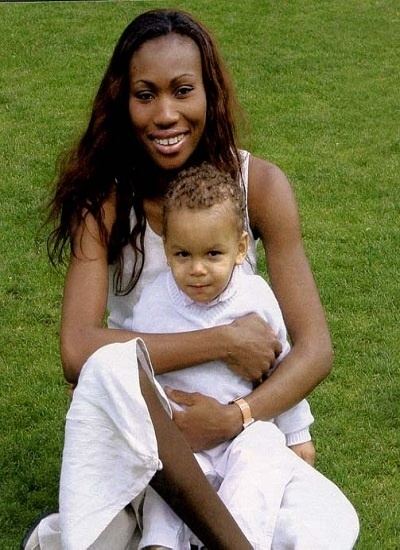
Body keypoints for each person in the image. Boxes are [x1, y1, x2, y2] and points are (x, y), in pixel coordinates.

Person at [22, 7, 359, 550]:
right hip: (145, 422)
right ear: (122, 101)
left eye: (183, 90)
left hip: (236, 429)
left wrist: (235, 417)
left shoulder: (260, 185)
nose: (165, 114)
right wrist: (225, 339)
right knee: (111, 367)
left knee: (326, 524)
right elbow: (77, 349)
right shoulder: (104, 202)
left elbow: (314, 347)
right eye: (145, 94)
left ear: (209, 95)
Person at [124, 162, 317, 549]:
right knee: (165, 481)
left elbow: (284, 367)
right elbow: (139, 366)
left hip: (240, 433)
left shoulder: (256, 298)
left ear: (241, 248)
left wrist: (298, 433)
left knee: (263, 449)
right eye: (182, 255)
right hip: (180, 436)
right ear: (167, 249)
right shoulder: (153, 302)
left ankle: (236, 538)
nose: (197, 270)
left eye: (213, 254)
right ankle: (160, 545)